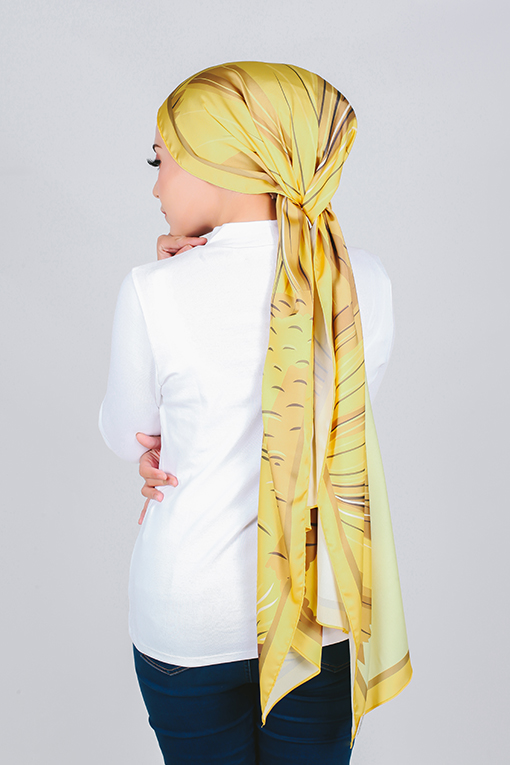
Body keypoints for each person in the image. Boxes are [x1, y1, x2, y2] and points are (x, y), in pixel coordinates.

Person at [99, 61, 412, 764]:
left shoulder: (152, 290)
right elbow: (341, 419)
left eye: (161, 159)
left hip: (188, 615)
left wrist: (168, 280)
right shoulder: (363, 280)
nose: (155, 186)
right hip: (321, 609)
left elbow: (126, 433)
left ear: (223, 160)